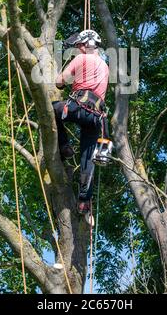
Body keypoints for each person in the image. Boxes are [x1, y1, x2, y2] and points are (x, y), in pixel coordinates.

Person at [53, 29, 109, 214]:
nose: (77, 49)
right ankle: (84, 201)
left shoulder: (80, 59)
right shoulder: (105, 66)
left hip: (78, 107)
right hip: (96, 117)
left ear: (87, 45)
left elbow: (60, 82)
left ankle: (64, 147)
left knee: (53, 109)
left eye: (79, 46)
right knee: (88, 158)